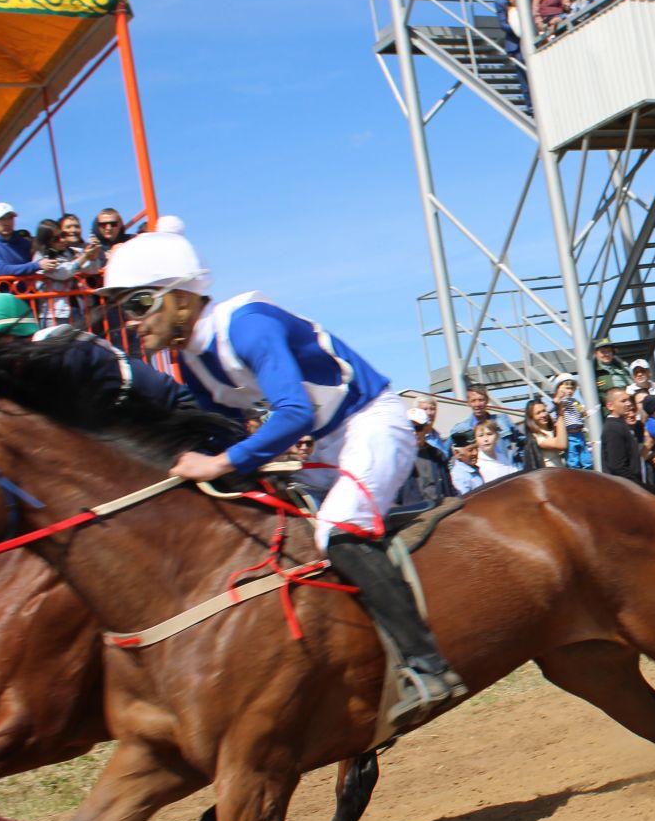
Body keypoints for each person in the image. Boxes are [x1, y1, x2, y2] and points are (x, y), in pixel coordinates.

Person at [100, 215, 466, 731]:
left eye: (139, 304)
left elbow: (290, 413)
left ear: (181, 298)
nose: (133, 321)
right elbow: (223, 433)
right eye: (124, 310)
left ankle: (428, 667)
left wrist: (224, 463)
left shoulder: (246, 324)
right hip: (327, 443)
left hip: (372, 421)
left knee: (338, 529)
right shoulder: (192, 362)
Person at [599, 386, 644, 482]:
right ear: (610, 406)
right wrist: (636, 485)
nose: (629, 404)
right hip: (624, 489)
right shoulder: (613, 428)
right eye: (623, 401)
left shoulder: (621, 425)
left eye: (628, 400)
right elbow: (617, 466)